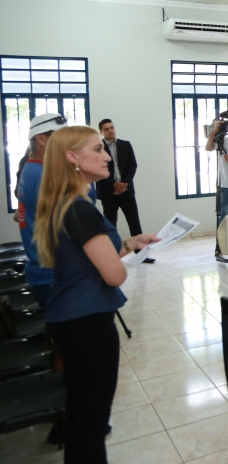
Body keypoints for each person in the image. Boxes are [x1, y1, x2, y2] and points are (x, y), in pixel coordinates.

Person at [34, 126, 158, 464]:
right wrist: (121, 259)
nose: (106, 157)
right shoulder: (80, 209)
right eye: (97, 149)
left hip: (70, 319)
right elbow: (114, 275)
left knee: (79, 416)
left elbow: (91, 255)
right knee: (91, 423)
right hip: (87, 324)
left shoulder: (66, 203)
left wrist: (131, 243)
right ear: (72, 157)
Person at [16, 113, 67, 310]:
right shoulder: (42, 175)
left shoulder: (33, 168)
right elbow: (73, 220)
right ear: (42, 139)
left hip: (45, 269)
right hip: (51, 273)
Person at [96, 119, 154, 263]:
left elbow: (132, 166)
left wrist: (123, 184)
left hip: (126, 191)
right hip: (108, 193)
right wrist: (114, 184)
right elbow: (97, 171)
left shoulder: (125, 145)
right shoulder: (97, 148)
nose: (110, 130)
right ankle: (111, 256)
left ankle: (141, 254)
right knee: (110, 225)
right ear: (101, 132)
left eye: (112, 127)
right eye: (106, 129)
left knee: (134, 223)